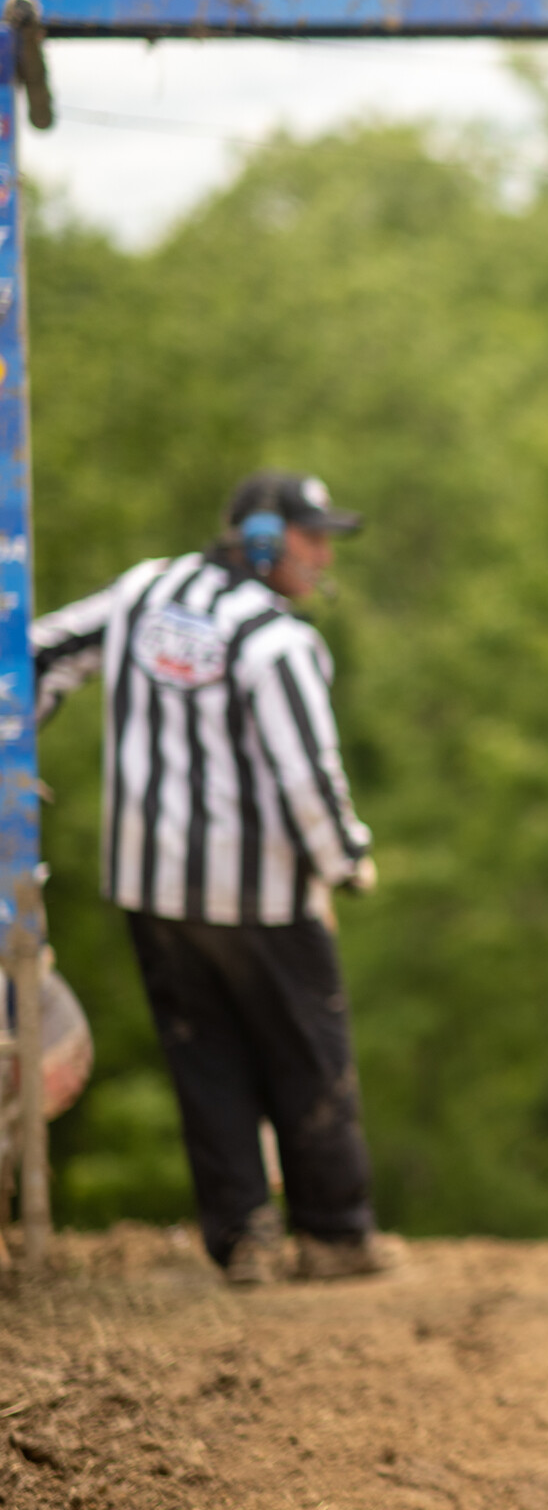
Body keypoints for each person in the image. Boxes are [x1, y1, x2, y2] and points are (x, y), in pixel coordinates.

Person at [33, 472, 398, 1285]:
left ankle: (242, 1240)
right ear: (265, 539)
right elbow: (309, 775)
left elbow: (34, 656)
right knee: (307, 1054)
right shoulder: (277, 640)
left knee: (206, 1060)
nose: (323, 555)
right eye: (312, 538)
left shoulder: (143, 591)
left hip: (150, 888)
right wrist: (347, 860)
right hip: (262, 895)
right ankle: (336, 1235)